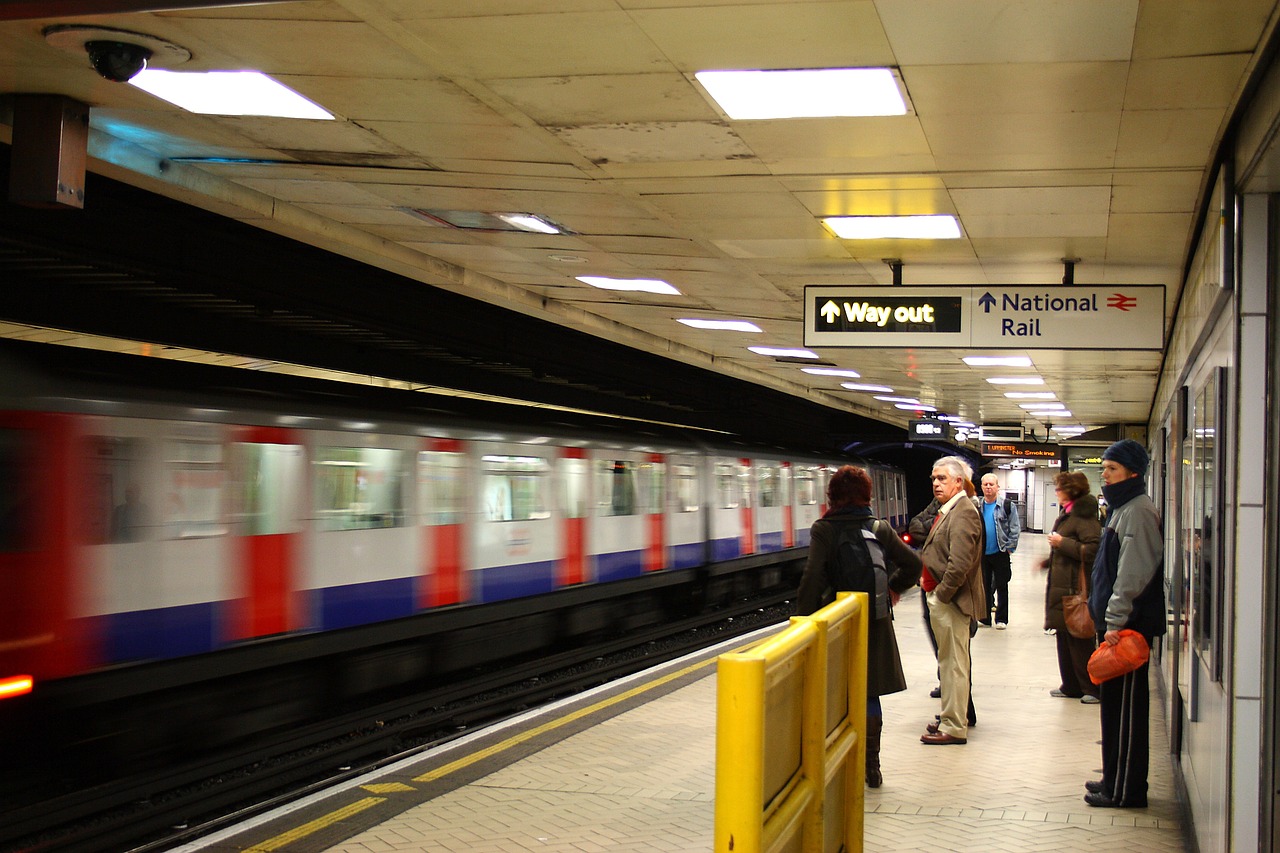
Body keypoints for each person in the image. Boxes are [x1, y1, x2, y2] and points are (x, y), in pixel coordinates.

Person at [796, 465, 923, 787]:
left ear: (832, 496)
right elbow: (913, 564)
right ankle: (872, 767)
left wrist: (803, 624)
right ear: (867, 495)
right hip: (875, 621)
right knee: (868, 695)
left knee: (833, 693)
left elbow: (812, 579)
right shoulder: (878, 527)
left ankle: (836, 763)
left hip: (836, 622)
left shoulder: (824, 529)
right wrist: (893, 588)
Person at [1085, 439, 1164, 808]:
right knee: (1113, 708)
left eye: (1111, 469)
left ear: (1132, 472)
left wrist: (1114, 619)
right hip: (1115, 624)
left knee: (1128, 714)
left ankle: (1127, 791)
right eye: (1104, 468)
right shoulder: (1122, 508)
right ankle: (1112, 779)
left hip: (1128, 628)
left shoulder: (1139, 511)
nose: (1104, 474)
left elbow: (1133, 573)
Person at [918, 456, 984, 745]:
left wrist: (940, 595)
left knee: (955, 665)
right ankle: (949, 717)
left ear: (959, 482)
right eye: (933, 478)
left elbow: (960, 563)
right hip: (944, 599)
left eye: (942, 478)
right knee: (948, 663)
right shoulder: (951, 509)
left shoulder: (963, 512)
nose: (936, 483)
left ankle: (955, 726)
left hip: (952, 602)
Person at [1043, 470, 1102, 703]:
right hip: (1062, 586)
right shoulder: (1067, 515)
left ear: (1071, 491)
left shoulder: (1084, 517)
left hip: (1074, 589)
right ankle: (1070, 685)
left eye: (1059, 488)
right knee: (1064, 638)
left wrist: (1062, 542)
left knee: (1080, 640)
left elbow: (1093, 550)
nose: (1056, 492)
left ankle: (1091, 688)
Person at [977, 474, 1019, 628]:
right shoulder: (977, 506)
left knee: (1002, 585)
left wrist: (1009, 548)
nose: (988, 487)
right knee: (984, 587)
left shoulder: (1007, 506)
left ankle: (1001, 619)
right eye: (985, 484)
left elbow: (1015, 528)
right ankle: (985, 618)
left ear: (997, 487)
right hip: (982, 554)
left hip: (1000, 552)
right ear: (982, 487)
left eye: (991, 484)